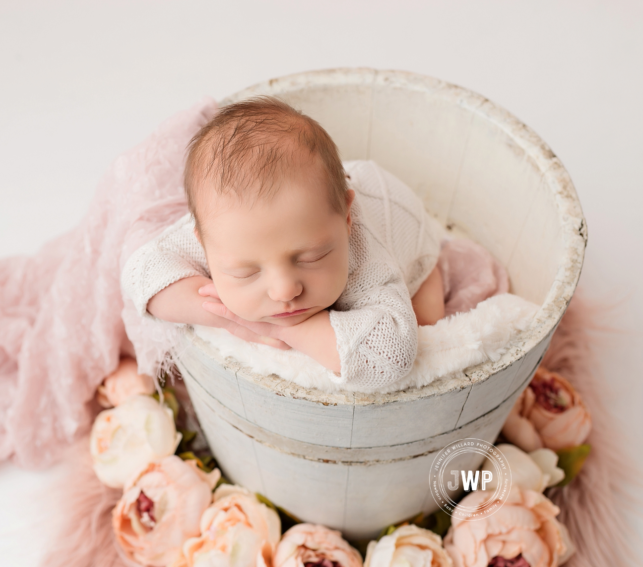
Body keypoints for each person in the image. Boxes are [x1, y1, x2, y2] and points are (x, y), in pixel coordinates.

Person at [121, 97, 445, 390]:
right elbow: (140, 274)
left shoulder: (367, 257)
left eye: (311, 257)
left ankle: (431, 270)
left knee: (427, 330)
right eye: (245, 271)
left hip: (410, 236)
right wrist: (232, 316)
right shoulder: (228, 224)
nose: (284, 291)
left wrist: (284, 331)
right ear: (203, 245)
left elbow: (392, 357)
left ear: (346, 220)